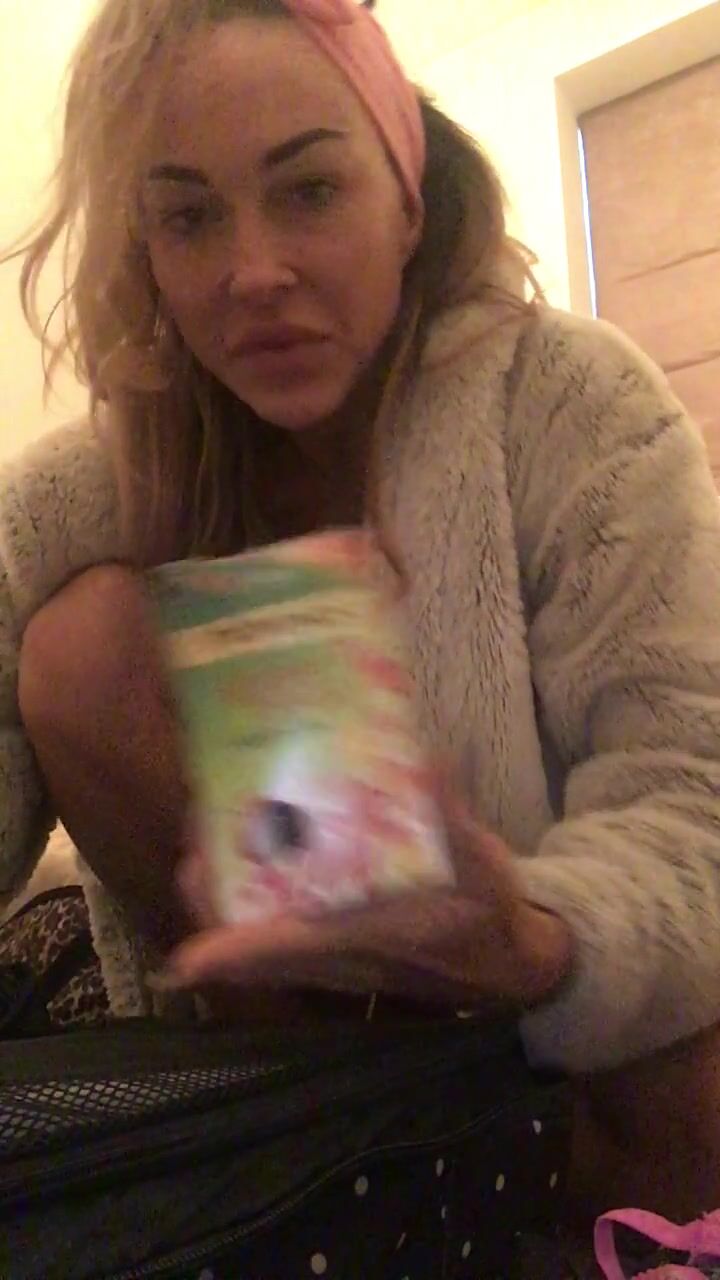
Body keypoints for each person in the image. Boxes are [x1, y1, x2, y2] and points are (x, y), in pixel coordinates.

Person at [3, 0, 720, 1255]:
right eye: (190, 217)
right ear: (148, 251)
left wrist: (530, 934)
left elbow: (695, 798)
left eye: (310, 189)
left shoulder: (577, 404)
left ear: (408, 194)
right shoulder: (105, 478)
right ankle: (329, 1144)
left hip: (567, 1052)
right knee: (72, 645)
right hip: (299, 1054)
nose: (253, 272)